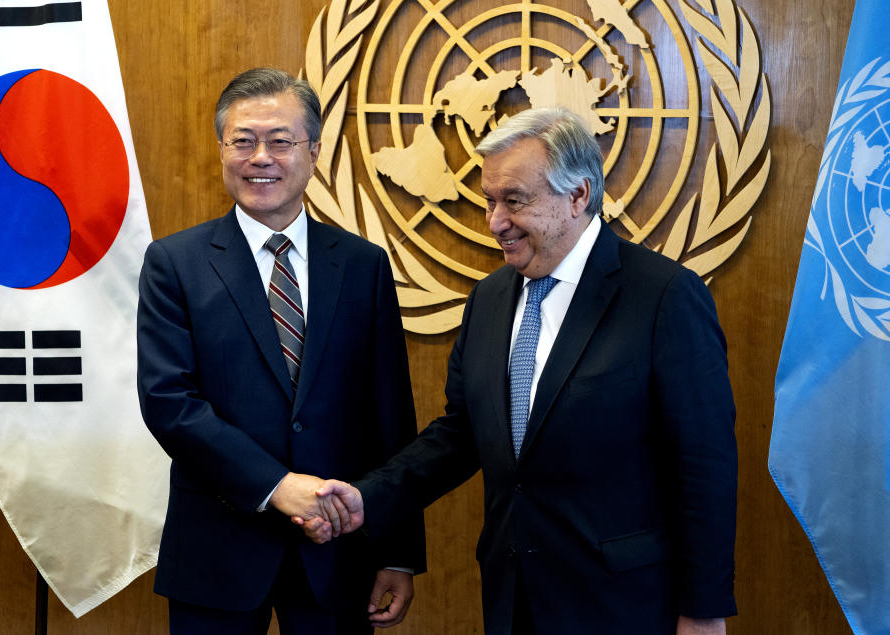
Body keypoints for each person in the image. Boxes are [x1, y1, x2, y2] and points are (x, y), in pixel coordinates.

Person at [300, 107, 738, 635]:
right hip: (514, 598)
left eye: (514, 200)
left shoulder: (664, 296)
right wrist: (367, 496)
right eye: (489, 201)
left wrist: (704, 610)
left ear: (578, 196)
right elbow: (460, 435)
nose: (495, 222)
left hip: (625, 604)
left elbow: (704, 467)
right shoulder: (489, 298)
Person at [136, 67, 425, 634]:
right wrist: (276, 487)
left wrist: (396, 552)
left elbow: (390, 417)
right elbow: (169, 401)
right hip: (217, 551)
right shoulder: (175, 263)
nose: (259, 157)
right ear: (222, 148)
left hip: (338, 551)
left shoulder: (363, 265)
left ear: (314, 150)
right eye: (242, 141)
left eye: (280, 141)